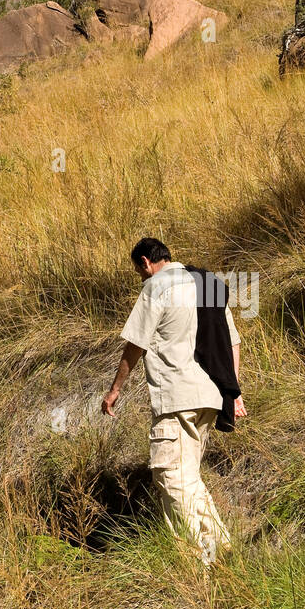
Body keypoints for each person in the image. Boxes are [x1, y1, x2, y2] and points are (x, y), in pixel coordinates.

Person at [101, 237, 247, 565]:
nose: (142, 278)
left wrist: (115, 389)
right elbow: (232, 342)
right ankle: (222, 550)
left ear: (145, 262)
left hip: (177, 399)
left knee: (170, 476)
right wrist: (232, 391)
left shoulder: (156, 286)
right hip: (210, 397)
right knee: (188, 477)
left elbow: (135, 344)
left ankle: (201, 558)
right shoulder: (208, 283)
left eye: (139, 272)